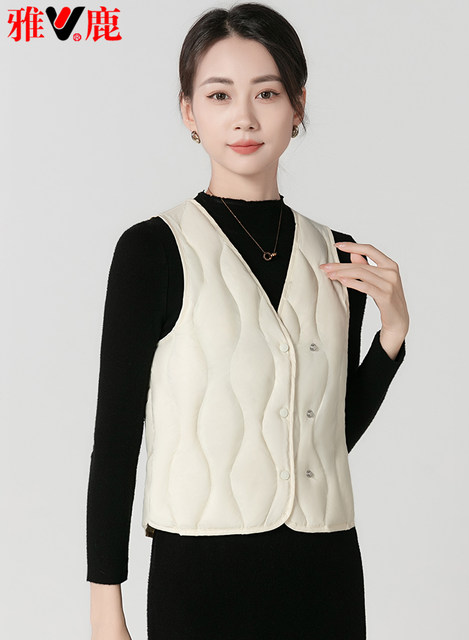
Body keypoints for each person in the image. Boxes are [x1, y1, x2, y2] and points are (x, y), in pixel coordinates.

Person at [86, 3, 409, 639]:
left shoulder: (338, 256)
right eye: (219, 95)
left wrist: (390, 341)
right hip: (199, 579)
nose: (244, 117)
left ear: (298, 105)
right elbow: (116, 438)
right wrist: (105, 608)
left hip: (326, 573)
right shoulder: (153, 250)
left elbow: (326, 436)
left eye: (266, 92)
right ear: (189, 111)